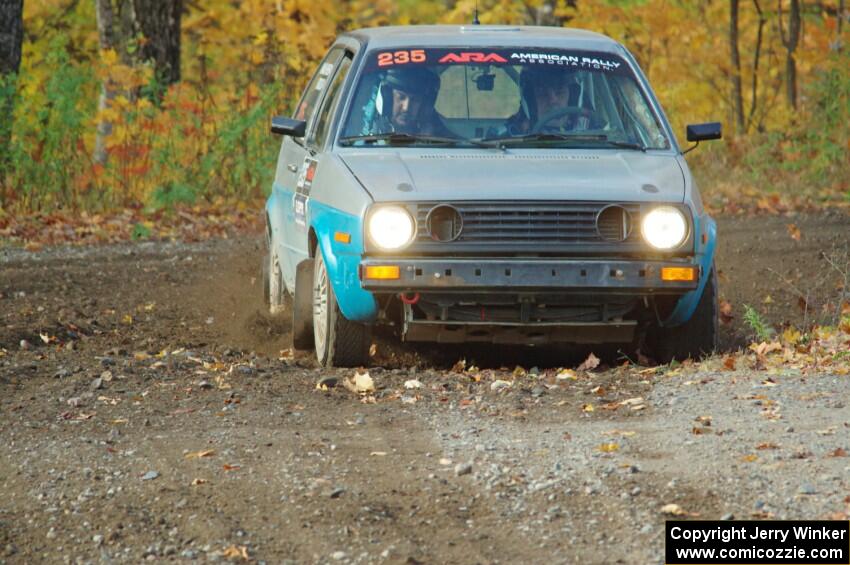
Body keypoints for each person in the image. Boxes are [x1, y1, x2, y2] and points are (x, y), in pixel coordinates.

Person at [364, 67, 455, 137]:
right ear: (388, 98)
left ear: (423, 105)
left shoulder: (441, 137)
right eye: (401, 97)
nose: (406, 107)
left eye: (415, 100)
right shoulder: (367, 132)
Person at [503, 65, 591, 135]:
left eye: (560, 91)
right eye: (542, 94)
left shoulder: (593, 132)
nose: (553, 100)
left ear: (572, 97)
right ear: (530, 102)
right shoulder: (510, 137)